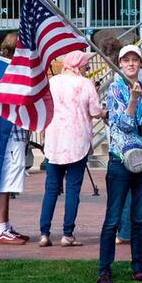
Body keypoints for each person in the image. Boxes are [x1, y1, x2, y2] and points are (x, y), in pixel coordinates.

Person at [97, 45, 142, 283]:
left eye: (135, 60)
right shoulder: (114, 90)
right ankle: (104, 271)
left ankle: (139, 268)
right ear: (121, 64)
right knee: (113, 218)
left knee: (140, 218)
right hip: (120, 161)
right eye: (127, 60)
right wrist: (133, 101)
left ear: (140, 65)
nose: (131, 64)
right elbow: (122, 124)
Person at [39, 51, 104, 247]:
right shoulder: (85, 84)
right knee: (73, 189)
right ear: (81, 65)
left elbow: (45, 110)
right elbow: (95, 112)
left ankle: (44, 233)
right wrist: (97, 96)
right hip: (77, 142)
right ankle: (67, 234)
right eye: (86, 66)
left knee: (51, 189)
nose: (86, 69)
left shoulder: (52, 83)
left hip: (54, 141)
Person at [0, 33, 30, 244]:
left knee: (9, 180)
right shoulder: (6, 71)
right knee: (5, 180)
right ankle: (0, 228)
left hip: (13, 135)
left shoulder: (5, 69)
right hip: (7, 136)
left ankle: (5, 224)